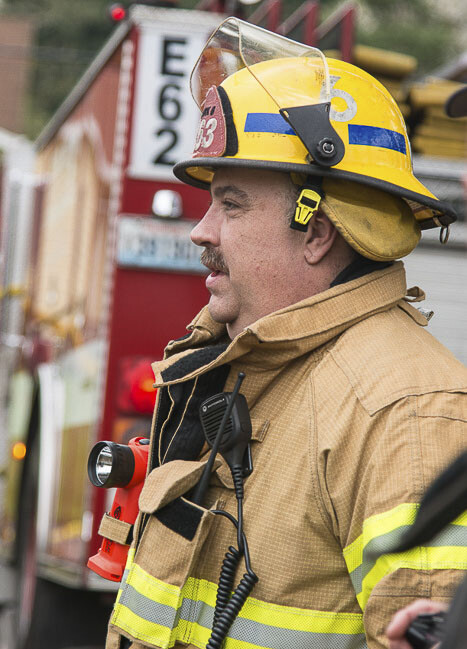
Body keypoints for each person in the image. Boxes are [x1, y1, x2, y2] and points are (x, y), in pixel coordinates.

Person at [105, 19, 467, 649]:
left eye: (232, 204)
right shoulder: (248, 364)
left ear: (316, 232)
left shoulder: (405, 414)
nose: (201, 231)